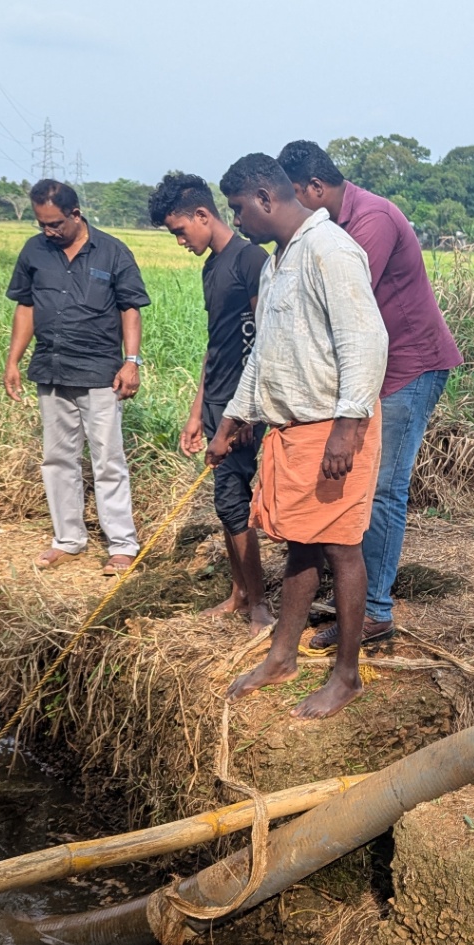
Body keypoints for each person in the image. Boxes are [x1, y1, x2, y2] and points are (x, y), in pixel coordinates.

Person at [206, 154, 388, 720]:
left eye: (238, 209)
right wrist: (233, 420)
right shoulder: (277, 262)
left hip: (334, 429)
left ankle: (347, 676)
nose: (237, 223)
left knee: (341, 547)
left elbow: (366, 341)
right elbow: (264, 355)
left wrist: (348, 426)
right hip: (293, 429)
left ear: (265, 197)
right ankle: (282, 657)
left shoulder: (330, 250)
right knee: (304, 543)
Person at [277, 141, 463, 651]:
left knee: (382, 488)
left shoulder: (371, 221)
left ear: (315, 188)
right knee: (360, 485)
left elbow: (345, 309)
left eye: (293, 197)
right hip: (373, 374)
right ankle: (354, 597)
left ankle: (375, 612)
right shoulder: (333, 225)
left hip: (409, 367)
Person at [148, 171, 275, 635]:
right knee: (226, 503)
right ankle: (240, 594)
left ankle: (259, 605)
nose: (180, 241)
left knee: (235, 500)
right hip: (218, 400)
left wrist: (246, 413)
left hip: (245, 407)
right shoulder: (211, 268)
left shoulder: (250, 260)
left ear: (203, 215)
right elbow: (214, 345)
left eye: (181, 230)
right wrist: (196, 412)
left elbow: (266, 341)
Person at [4, 179, 151, 577]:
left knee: (108, 460)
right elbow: (25, 307)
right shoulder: (35, 251)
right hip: (51, 369)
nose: (49, 232)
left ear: (75, 213)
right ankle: (68, 539)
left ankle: (121, 544)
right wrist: (13, 360)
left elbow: (131, 308)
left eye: (55, 224)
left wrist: (131, 361)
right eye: (42, 224)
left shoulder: (113, 251)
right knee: (58, 459)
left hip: (100, 372)